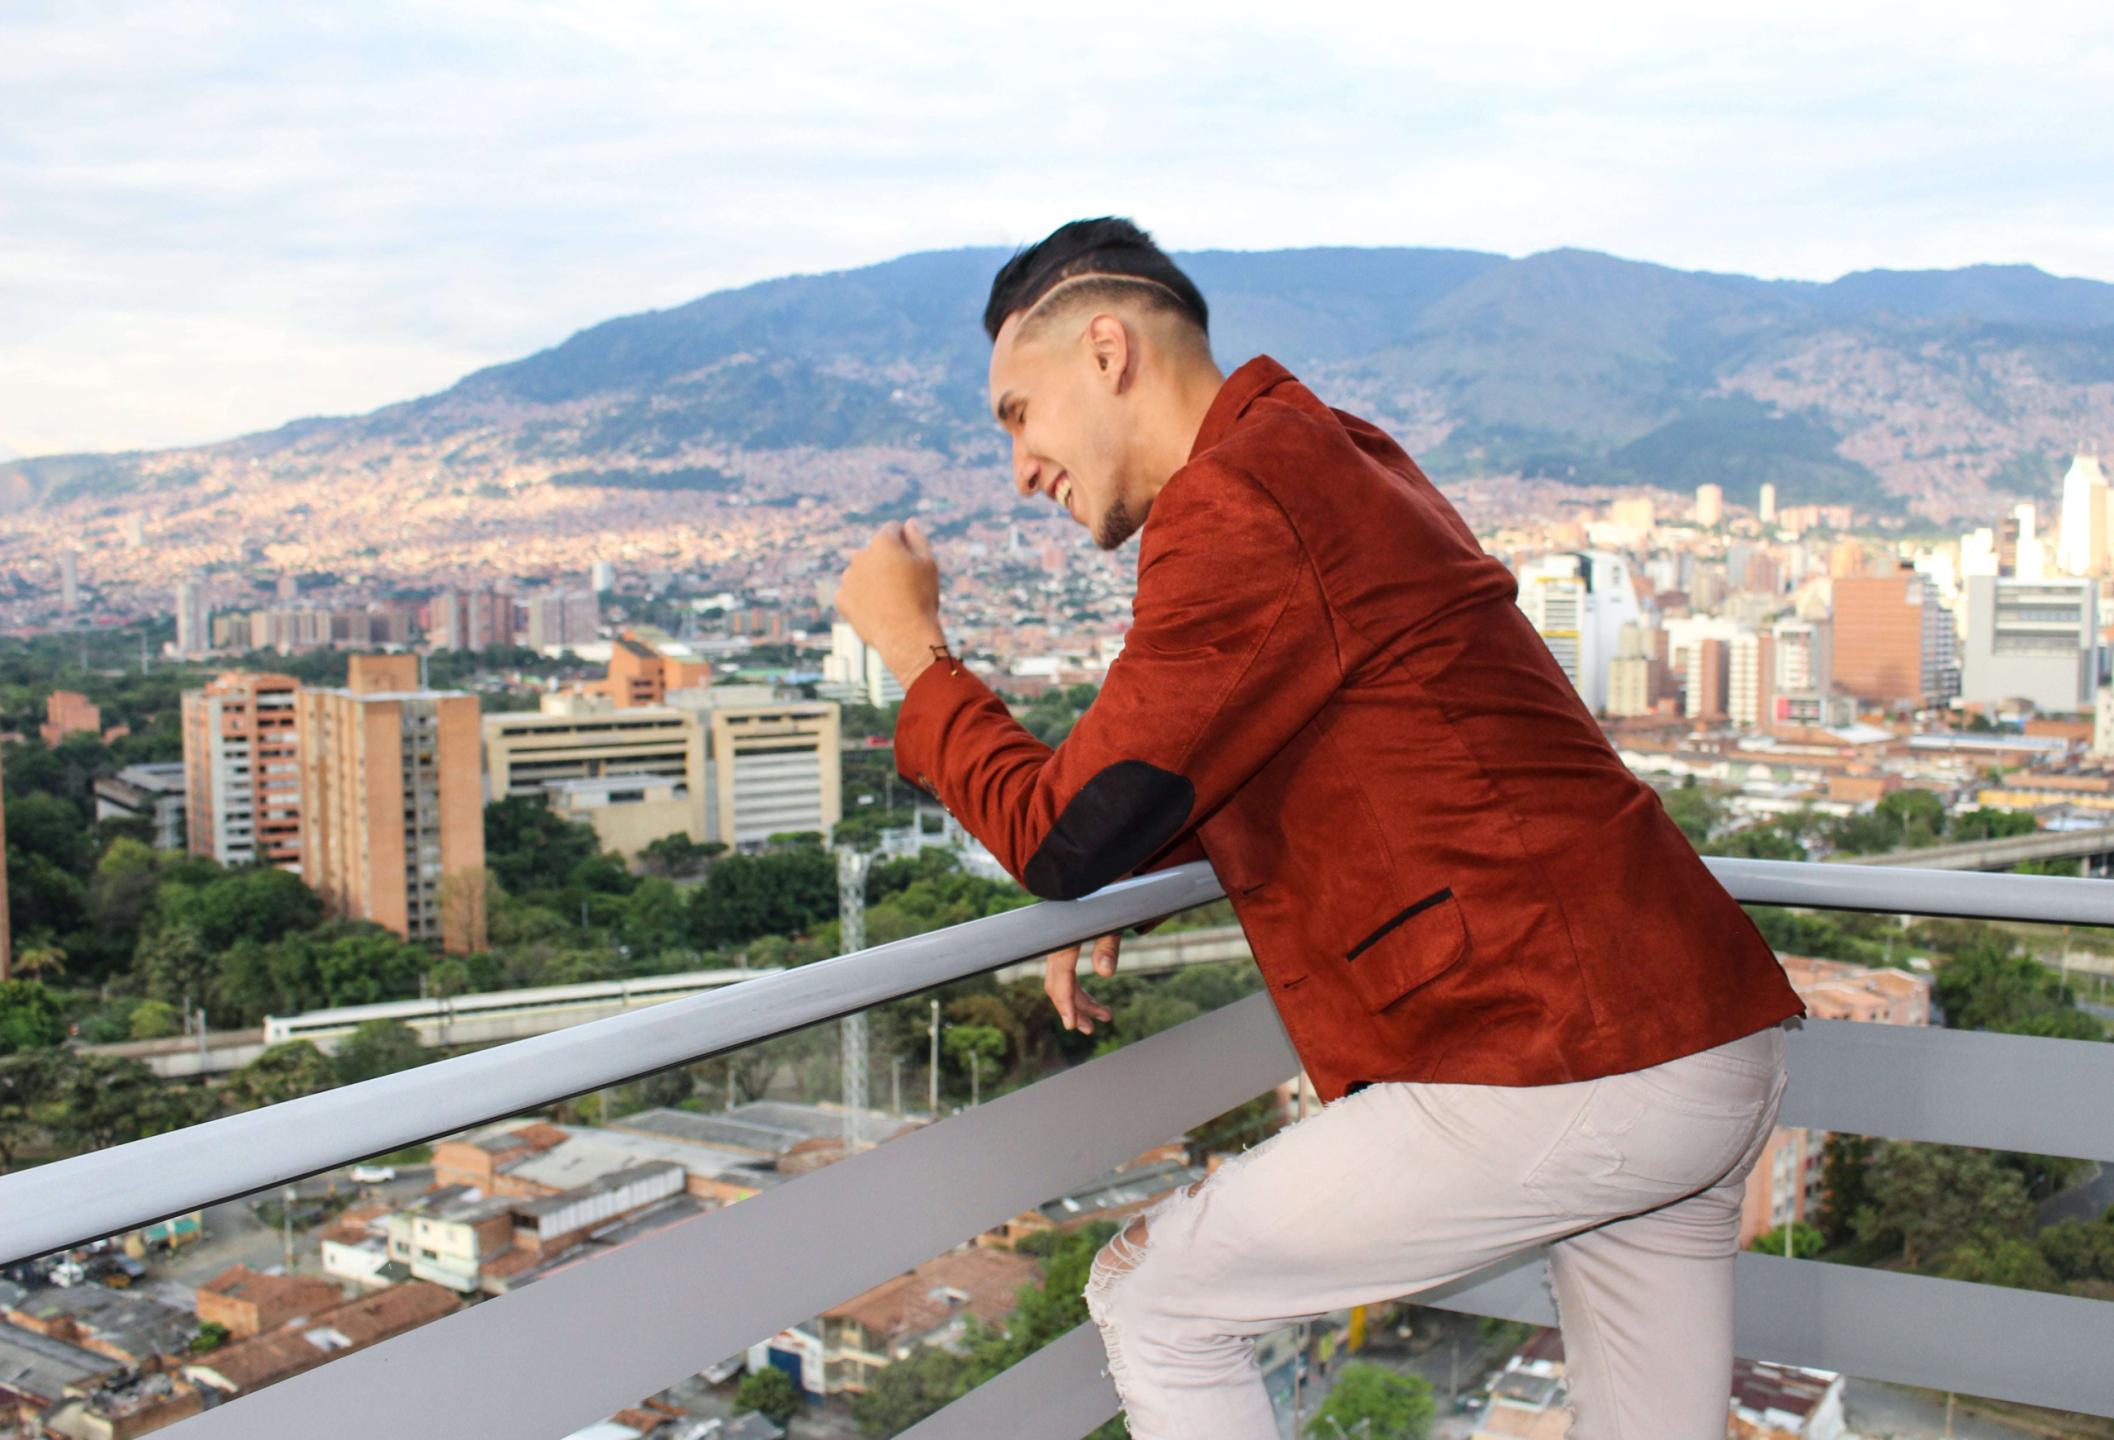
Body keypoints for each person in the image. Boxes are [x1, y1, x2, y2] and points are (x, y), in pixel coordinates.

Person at [832, 217, 1806, 1439]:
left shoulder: (1238, 497)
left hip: (1560, 1053)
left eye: (1016, 415)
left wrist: (912, 649)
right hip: (1692, 1037)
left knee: (1155, 1302)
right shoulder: (1331, 452)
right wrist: (1119, 865)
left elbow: (1062, 830)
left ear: (1105, 351)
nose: (1020, 467)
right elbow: (1325, 754)